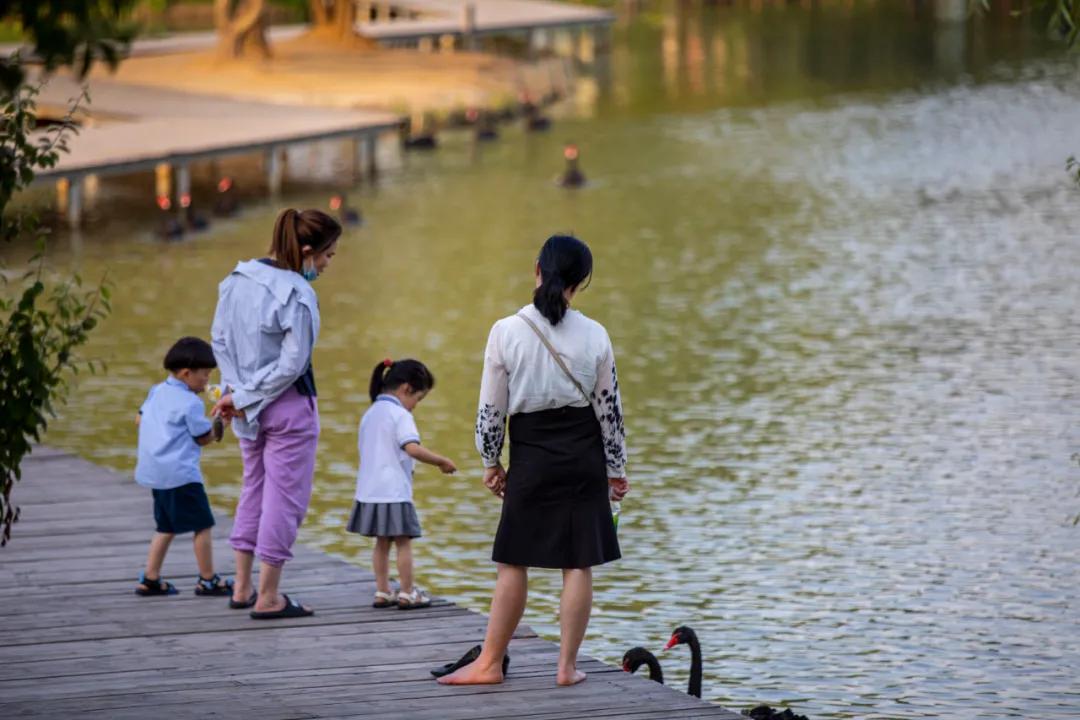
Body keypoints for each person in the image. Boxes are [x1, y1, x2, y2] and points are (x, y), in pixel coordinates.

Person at [440, 234, 629, 687]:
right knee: (577, 562)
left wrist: (491, 462)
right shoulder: (595, 334)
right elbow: (610, 411)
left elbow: (491, 411)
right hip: (583, 455)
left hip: (531, 455)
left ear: (537, 270)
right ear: (580, 283)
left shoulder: (506, 331)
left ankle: (488, 664)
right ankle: (566, 667)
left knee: (513, 561)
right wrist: (617, 470)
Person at [210, 208, 341, 619]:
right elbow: (293, 363)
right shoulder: (298, 293)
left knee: (254, 488)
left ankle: (243, 586)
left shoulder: (235, 279)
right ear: (306, 250)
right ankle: (269, 596)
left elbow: (219, 340)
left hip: (243, 405)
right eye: (326, 256)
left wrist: (236, 393)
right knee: (285, 499)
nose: (325, 265)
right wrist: (249, 395)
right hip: (287, 407)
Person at [347, 359, 457, 610]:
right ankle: (407, 592)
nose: (415, 406)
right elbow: (412, 448)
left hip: (369, 491)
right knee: (403, 542)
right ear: (406, 389)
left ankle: (383, 591)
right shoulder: (400, 415)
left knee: (381, 542)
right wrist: (441, 461)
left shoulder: (371, 412)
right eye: (418, 399)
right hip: (394, 491)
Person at [134, 336, 231, 597]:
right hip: (181, 475)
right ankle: (208, 579)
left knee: (165, 526)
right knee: (202, 525)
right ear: (187, 373)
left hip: (155, 472)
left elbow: (138, 420)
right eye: (205, 375)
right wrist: (221, 426)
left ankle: (150, 578)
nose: (208, 381)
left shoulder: (157, 391)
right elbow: (202, 438)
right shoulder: (191, 403)